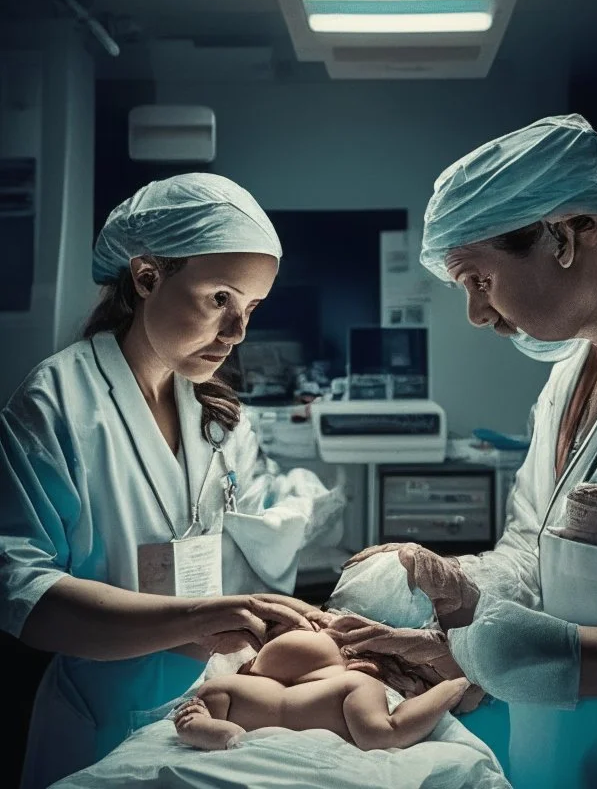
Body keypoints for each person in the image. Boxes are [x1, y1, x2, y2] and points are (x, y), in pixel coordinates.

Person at [339, 114, 597, 788]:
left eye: (477, 279)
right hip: (553, 755)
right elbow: (534, 550)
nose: (476, 313)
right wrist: (455, 592)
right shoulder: (566, 380)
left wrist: (547, 655)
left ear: (567, 233)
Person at [0, 173, 344, 789]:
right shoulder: (58, 403)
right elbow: (22, 593)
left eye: (252, 308)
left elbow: (247, 528)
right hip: (98, 720)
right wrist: (188, 618)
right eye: (220, 299)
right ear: (147, 276)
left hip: (212, 709)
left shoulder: (218, 413)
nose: (238, 331)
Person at [173, 623, 471, 752]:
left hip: (251, 746)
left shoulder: (225, 686)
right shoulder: (354, 683)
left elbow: (200, 724)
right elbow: (384, 734)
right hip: (325, 730)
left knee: (221, 734)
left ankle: (458, 683)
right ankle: (458, 683)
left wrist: (214, 732)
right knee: (383, 732)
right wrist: (455, 684)